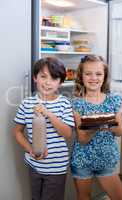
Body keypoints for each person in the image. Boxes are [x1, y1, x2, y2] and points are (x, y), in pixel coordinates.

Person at [13, 57, 75, 200]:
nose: (48, 82)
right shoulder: (27, 103)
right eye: (43, 76)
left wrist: (48, 114)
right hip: (34, 165)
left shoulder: (64, 104)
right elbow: (17, 132)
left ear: (60, 82)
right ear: (35, 78)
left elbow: (67, 133)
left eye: (54, 78)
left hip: (56, 167)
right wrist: (30, 149)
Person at [71, 55, 122, 200]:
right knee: (84, 197)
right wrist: (95, 125)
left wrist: (107, 123)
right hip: (83, 159)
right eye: (88, 73)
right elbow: (82, 139)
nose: (93, 78)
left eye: (98, 74)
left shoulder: (113, 100)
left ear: (104, 76)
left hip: (107, 159)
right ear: (81, 76)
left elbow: (120, 131)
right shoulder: (77, 103)